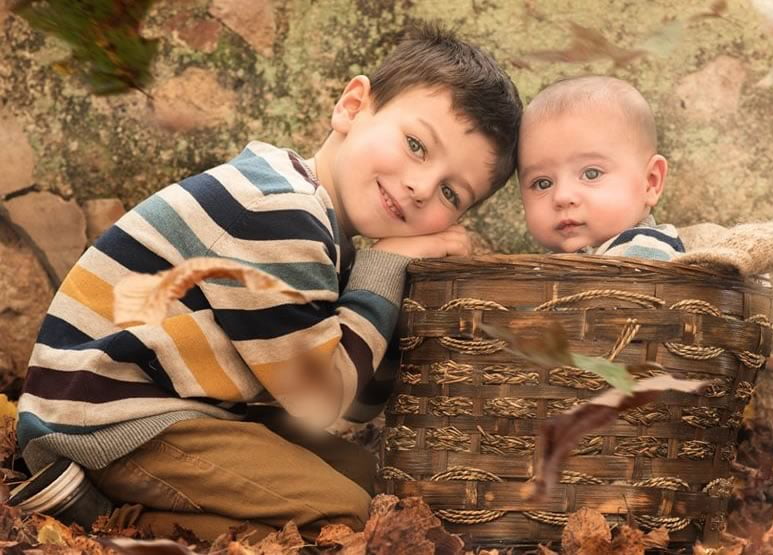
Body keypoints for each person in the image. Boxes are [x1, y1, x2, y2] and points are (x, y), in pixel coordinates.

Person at [11, 23, 522, 540]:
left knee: (374, 479)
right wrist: (386, 264)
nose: (421, 187)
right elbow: (320, 403)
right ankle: (102, 513)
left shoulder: (322, 229)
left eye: (451, 194)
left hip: (181, 413)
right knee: (345, 515)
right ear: (352, 106)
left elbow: (357, 402)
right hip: (109, 418)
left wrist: (395, 288)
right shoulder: (278, 212)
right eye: (416, 145)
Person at [517, 75, 684, 260]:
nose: (562, 197)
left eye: (591, 174)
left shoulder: (645, 250)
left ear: (650, 182)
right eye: (543, 183)